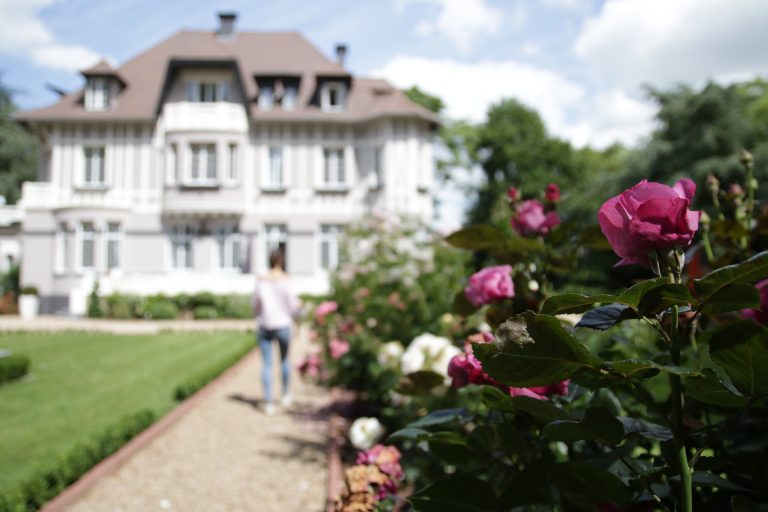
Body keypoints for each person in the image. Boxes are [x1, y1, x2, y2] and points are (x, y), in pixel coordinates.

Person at [252, 250, 301, 415]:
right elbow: (293, 305)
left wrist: (259, 316)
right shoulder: (285, 280)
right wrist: (297, 317)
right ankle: (286, 394)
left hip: (265, 323)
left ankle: (268, 401)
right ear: (281, 261)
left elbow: (256, 304)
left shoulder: (261, 281)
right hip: (282, 324)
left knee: (267, 364)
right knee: (285, 360)